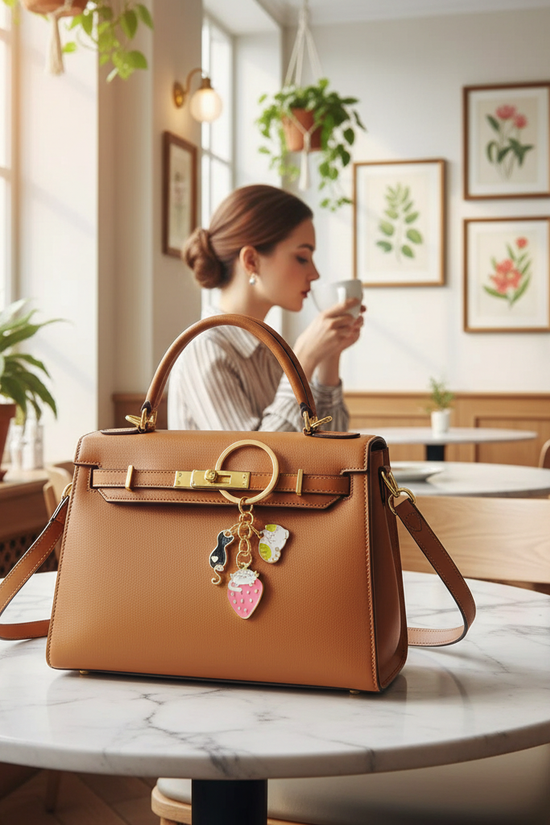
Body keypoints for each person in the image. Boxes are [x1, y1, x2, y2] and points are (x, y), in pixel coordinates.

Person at [167, 184, 364, 433]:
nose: (314, 274)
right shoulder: (205, 348)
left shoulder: (269, 349)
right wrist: (302, 360)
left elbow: (331, 452)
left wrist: (329, 356)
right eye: (302, 258)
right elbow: (254, 463)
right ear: (251, 261)